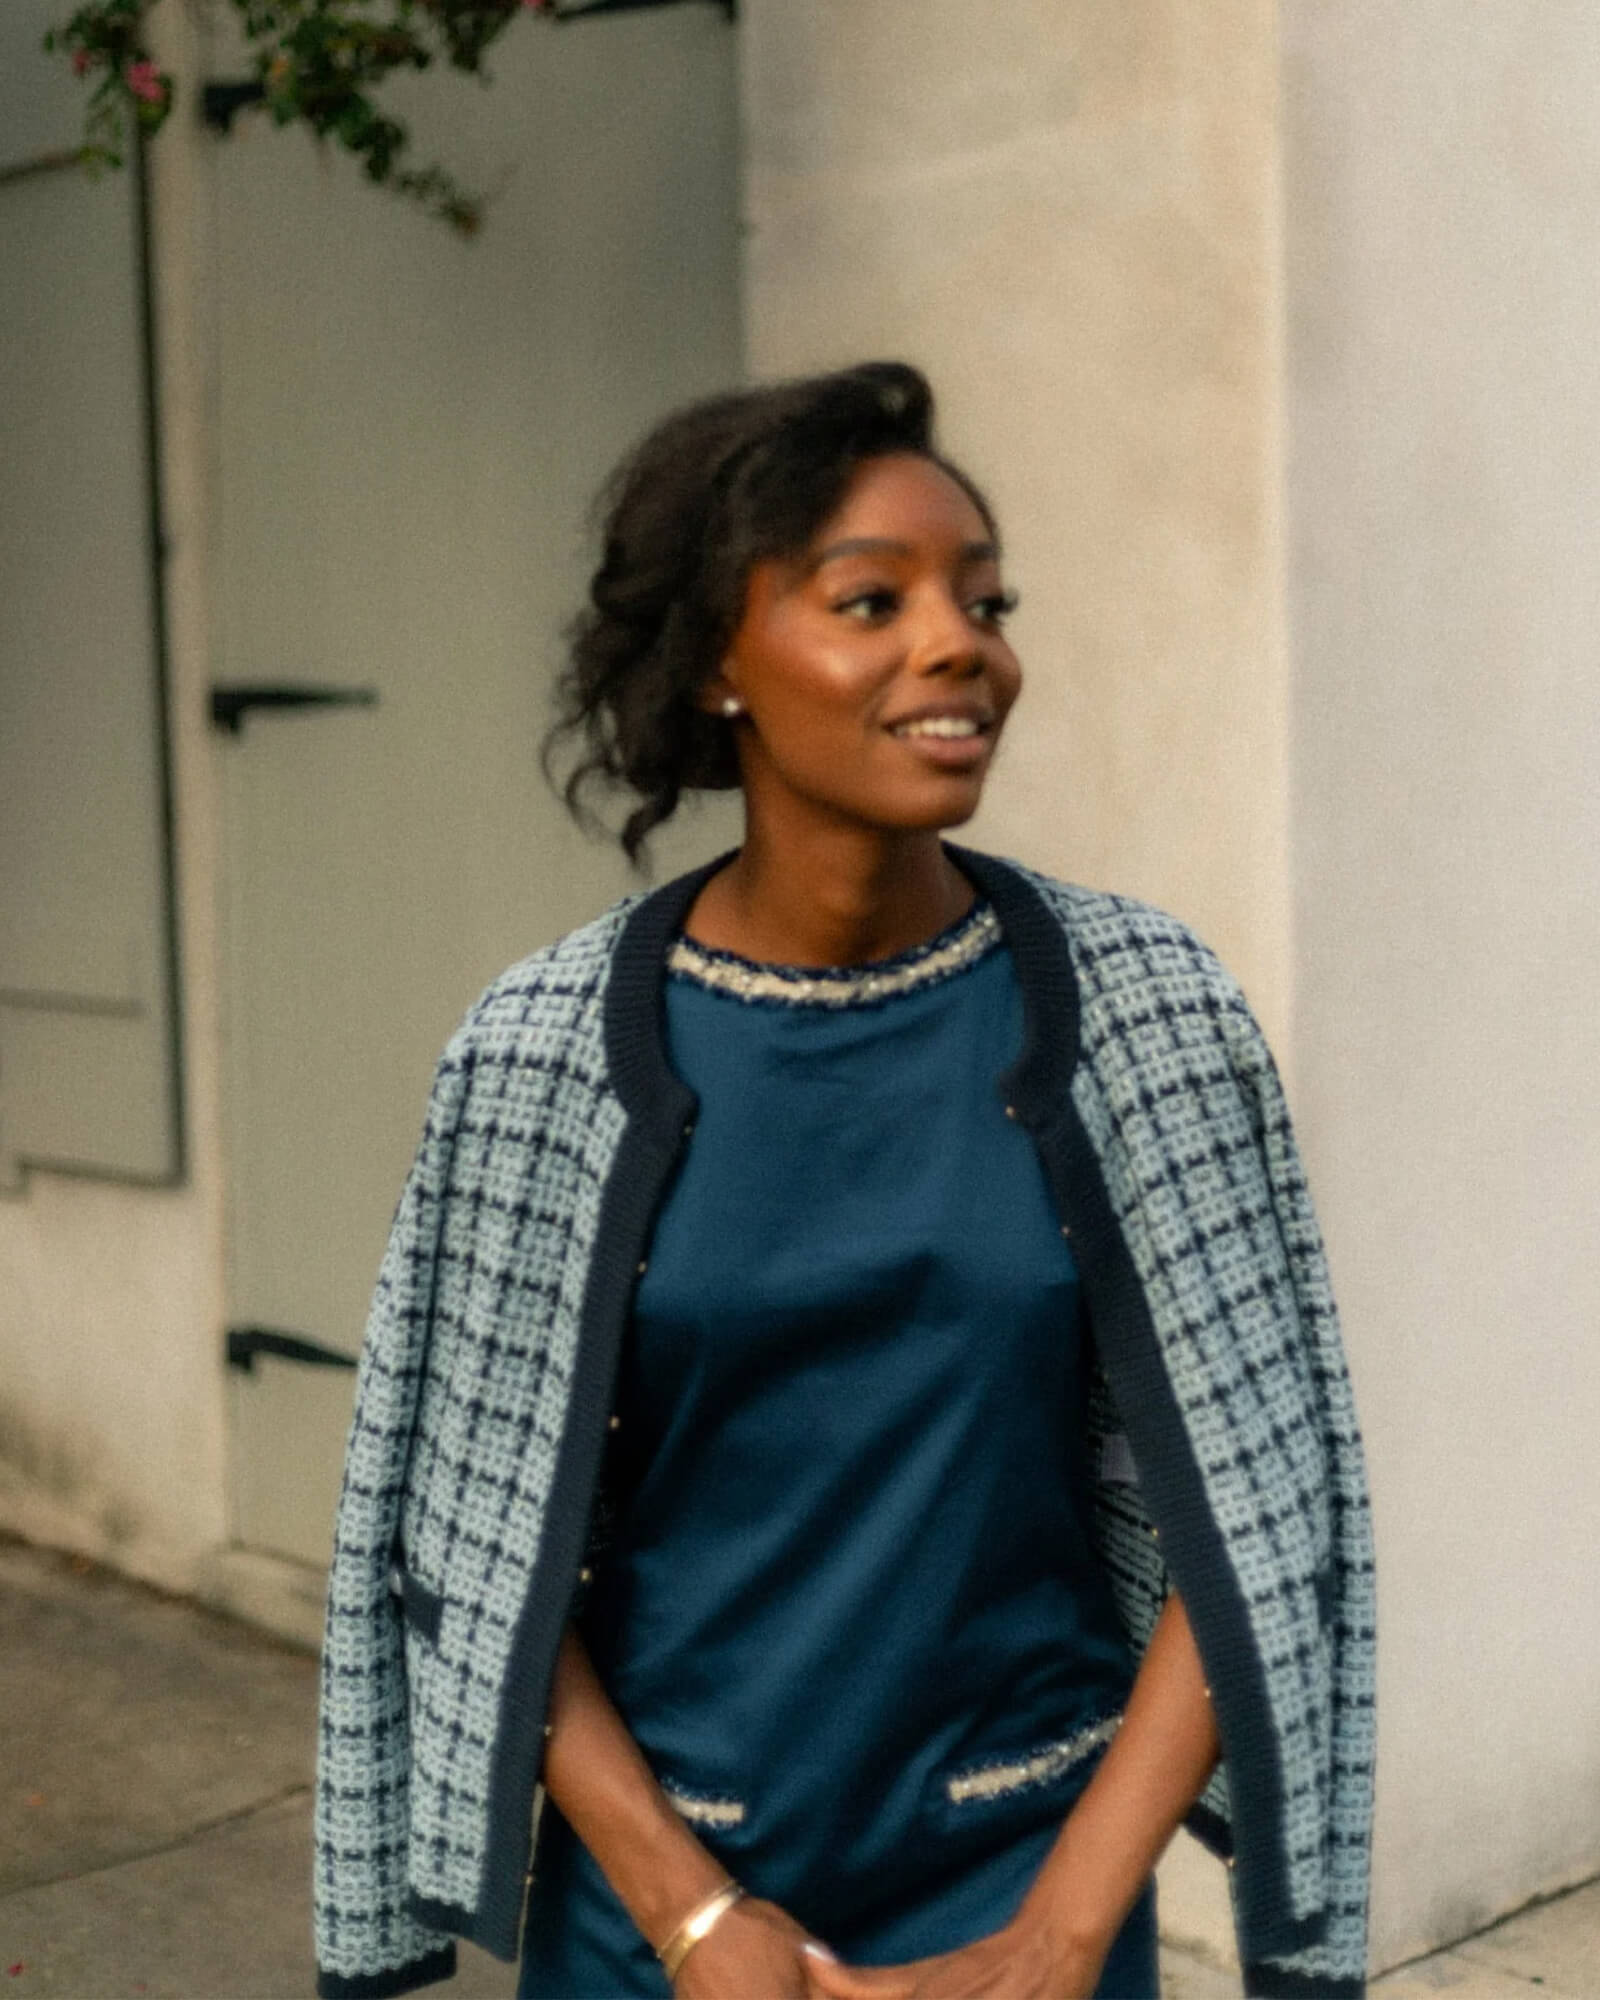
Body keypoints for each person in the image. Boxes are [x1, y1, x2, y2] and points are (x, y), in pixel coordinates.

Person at [313, 362, 1376, 2000]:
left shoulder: (1148, 1012)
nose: (962, 644)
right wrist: (691, 1916)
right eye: (869, 599)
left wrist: (1064, 1934)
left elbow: (1260, 1491)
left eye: (984, 599)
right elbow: (463, 1540)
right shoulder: (538, 1057)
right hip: (663, 1908)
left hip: (1028, 1879)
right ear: (716, 663)